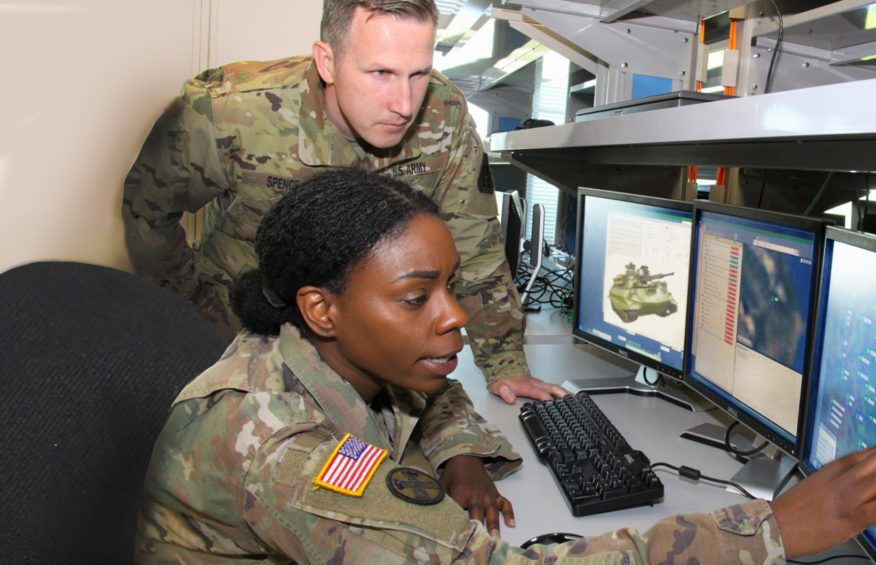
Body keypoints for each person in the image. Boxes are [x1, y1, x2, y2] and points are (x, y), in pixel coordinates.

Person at [137, 168, 876, 563]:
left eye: (450, 284)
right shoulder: (283, 455)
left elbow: (432, 393)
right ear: (322, 308)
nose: (454, 315)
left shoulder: (307, 355)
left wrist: (455, 451)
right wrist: (774, 528)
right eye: (418, 296)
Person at [121, 0, 562, 404]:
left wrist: (505, 364)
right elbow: (148, 213)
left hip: (366, 345)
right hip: (244, 333)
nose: (405, 104)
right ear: (327, 62)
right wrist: (195, 308)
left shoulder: (443, 118)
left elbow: (476, 244)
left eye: (419, 73)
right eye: (381, 73)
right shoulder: (230, 113)